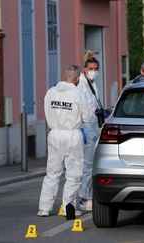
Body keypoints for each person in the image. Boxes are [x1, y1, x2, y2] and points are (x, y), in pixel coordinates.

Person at [38, 64, 92, 220]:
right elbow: (87, 117)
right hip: (72, 135)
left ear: (64, 75)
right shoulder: (77, 93)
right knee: (73, 174)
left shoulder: (51, 92)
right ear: (76, 79)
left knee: (52, 172)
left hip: (54, 133)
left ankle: (44, 207)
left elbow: (47, 111)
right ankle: (68, 206)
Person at [75, 51, 102, 213]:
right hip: (85, 128)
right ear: (85, 69)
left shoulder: (92, 83)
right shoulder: (81, 84)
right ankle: (84, 199)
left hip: (91, 127)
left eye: (96, 68)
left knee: (88, 164)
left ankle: (81, 197)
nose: (94, 71)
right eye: (91, 68)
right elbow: (84, 110)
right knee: (86, 165)